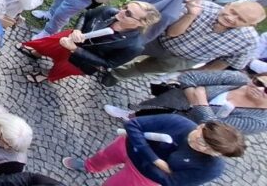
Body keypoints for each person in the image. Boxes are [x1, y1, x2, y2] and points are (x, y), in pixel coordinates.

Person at [62, 115, 245, 186]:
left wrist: (142, 147)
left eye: (211, 150)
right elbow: (133, 125)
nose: (202, 148)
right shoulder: (179, 122)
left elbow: (171, 182)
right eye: (202, 140)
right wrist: (158, 162)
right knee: (102, 157)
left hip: (142, 177)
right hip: (127, 148)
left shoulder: (212, 168)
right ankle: (89, 166)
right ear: (201, 126)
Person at [113, 0, 263, 79]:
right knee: (129, 51)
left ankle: (117, 75)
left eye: (241, 19)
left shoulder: (249, 41)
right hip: (162, 40)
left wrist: (198, 74)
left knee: (142, 69)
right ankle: (105, 64)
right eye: (232, 11)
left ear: (252, 24)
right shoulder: (202, 7)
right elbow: (171, 32)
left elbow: (227, 62)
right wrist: (191, 15)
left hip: (184, 59)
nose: (231, 18)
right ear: (228, 4)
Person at [21, 1, 161, 84]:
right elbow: (86, 15)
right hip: (72, 39)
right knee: (48, 46)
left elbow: (108, 64)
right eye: (125, 7)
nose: (122, 11)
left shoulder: (134, 46)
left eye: (129, 14)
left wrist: (76, 50)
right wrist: (77, 30)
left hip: (82, 61)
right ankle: (37, 53)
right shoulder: (109, 11)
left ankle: (45, 74)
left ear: (140, 23)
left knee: (60, 68)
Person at [105, 69, 267, 134]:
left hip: (185, 129)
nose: (259, 89)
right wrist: (193, 96)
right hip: (172, 102)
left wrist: (200, 100)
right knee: (147, 110)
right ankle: (130, 115)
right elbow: (189, 77)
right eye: (259, 82)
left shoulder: (260, 120)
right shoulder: (237, 79)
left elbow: (215, 130)